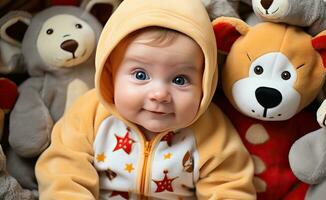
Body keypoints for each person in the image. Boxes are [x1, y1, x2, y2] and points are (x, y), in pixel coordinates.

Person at [35, 0, 256, 199]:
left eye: (180, 79)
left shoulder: (211, 131)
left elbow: (230, 186)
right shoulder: (89, 113)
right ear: (111, 72)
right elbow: (64, 171)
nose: (159, 94)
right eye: (140, 75)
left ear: (206, 81)